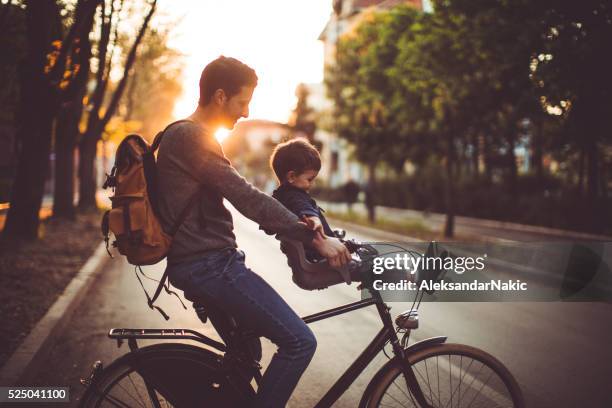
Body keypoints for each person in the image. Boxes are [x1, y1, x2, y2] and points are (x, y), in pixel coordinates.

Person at [156, 56, 351, 408]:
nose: (246, 112)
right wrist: (314, 237)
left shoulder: (183, 135)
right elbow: (245, 196)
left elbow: (247, 200)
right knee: (299, 342)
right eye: (242, 102)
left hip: (206, 264)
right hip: (211, 267)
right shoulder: (191, 138)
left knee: (247, 351)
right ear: (219, 96)